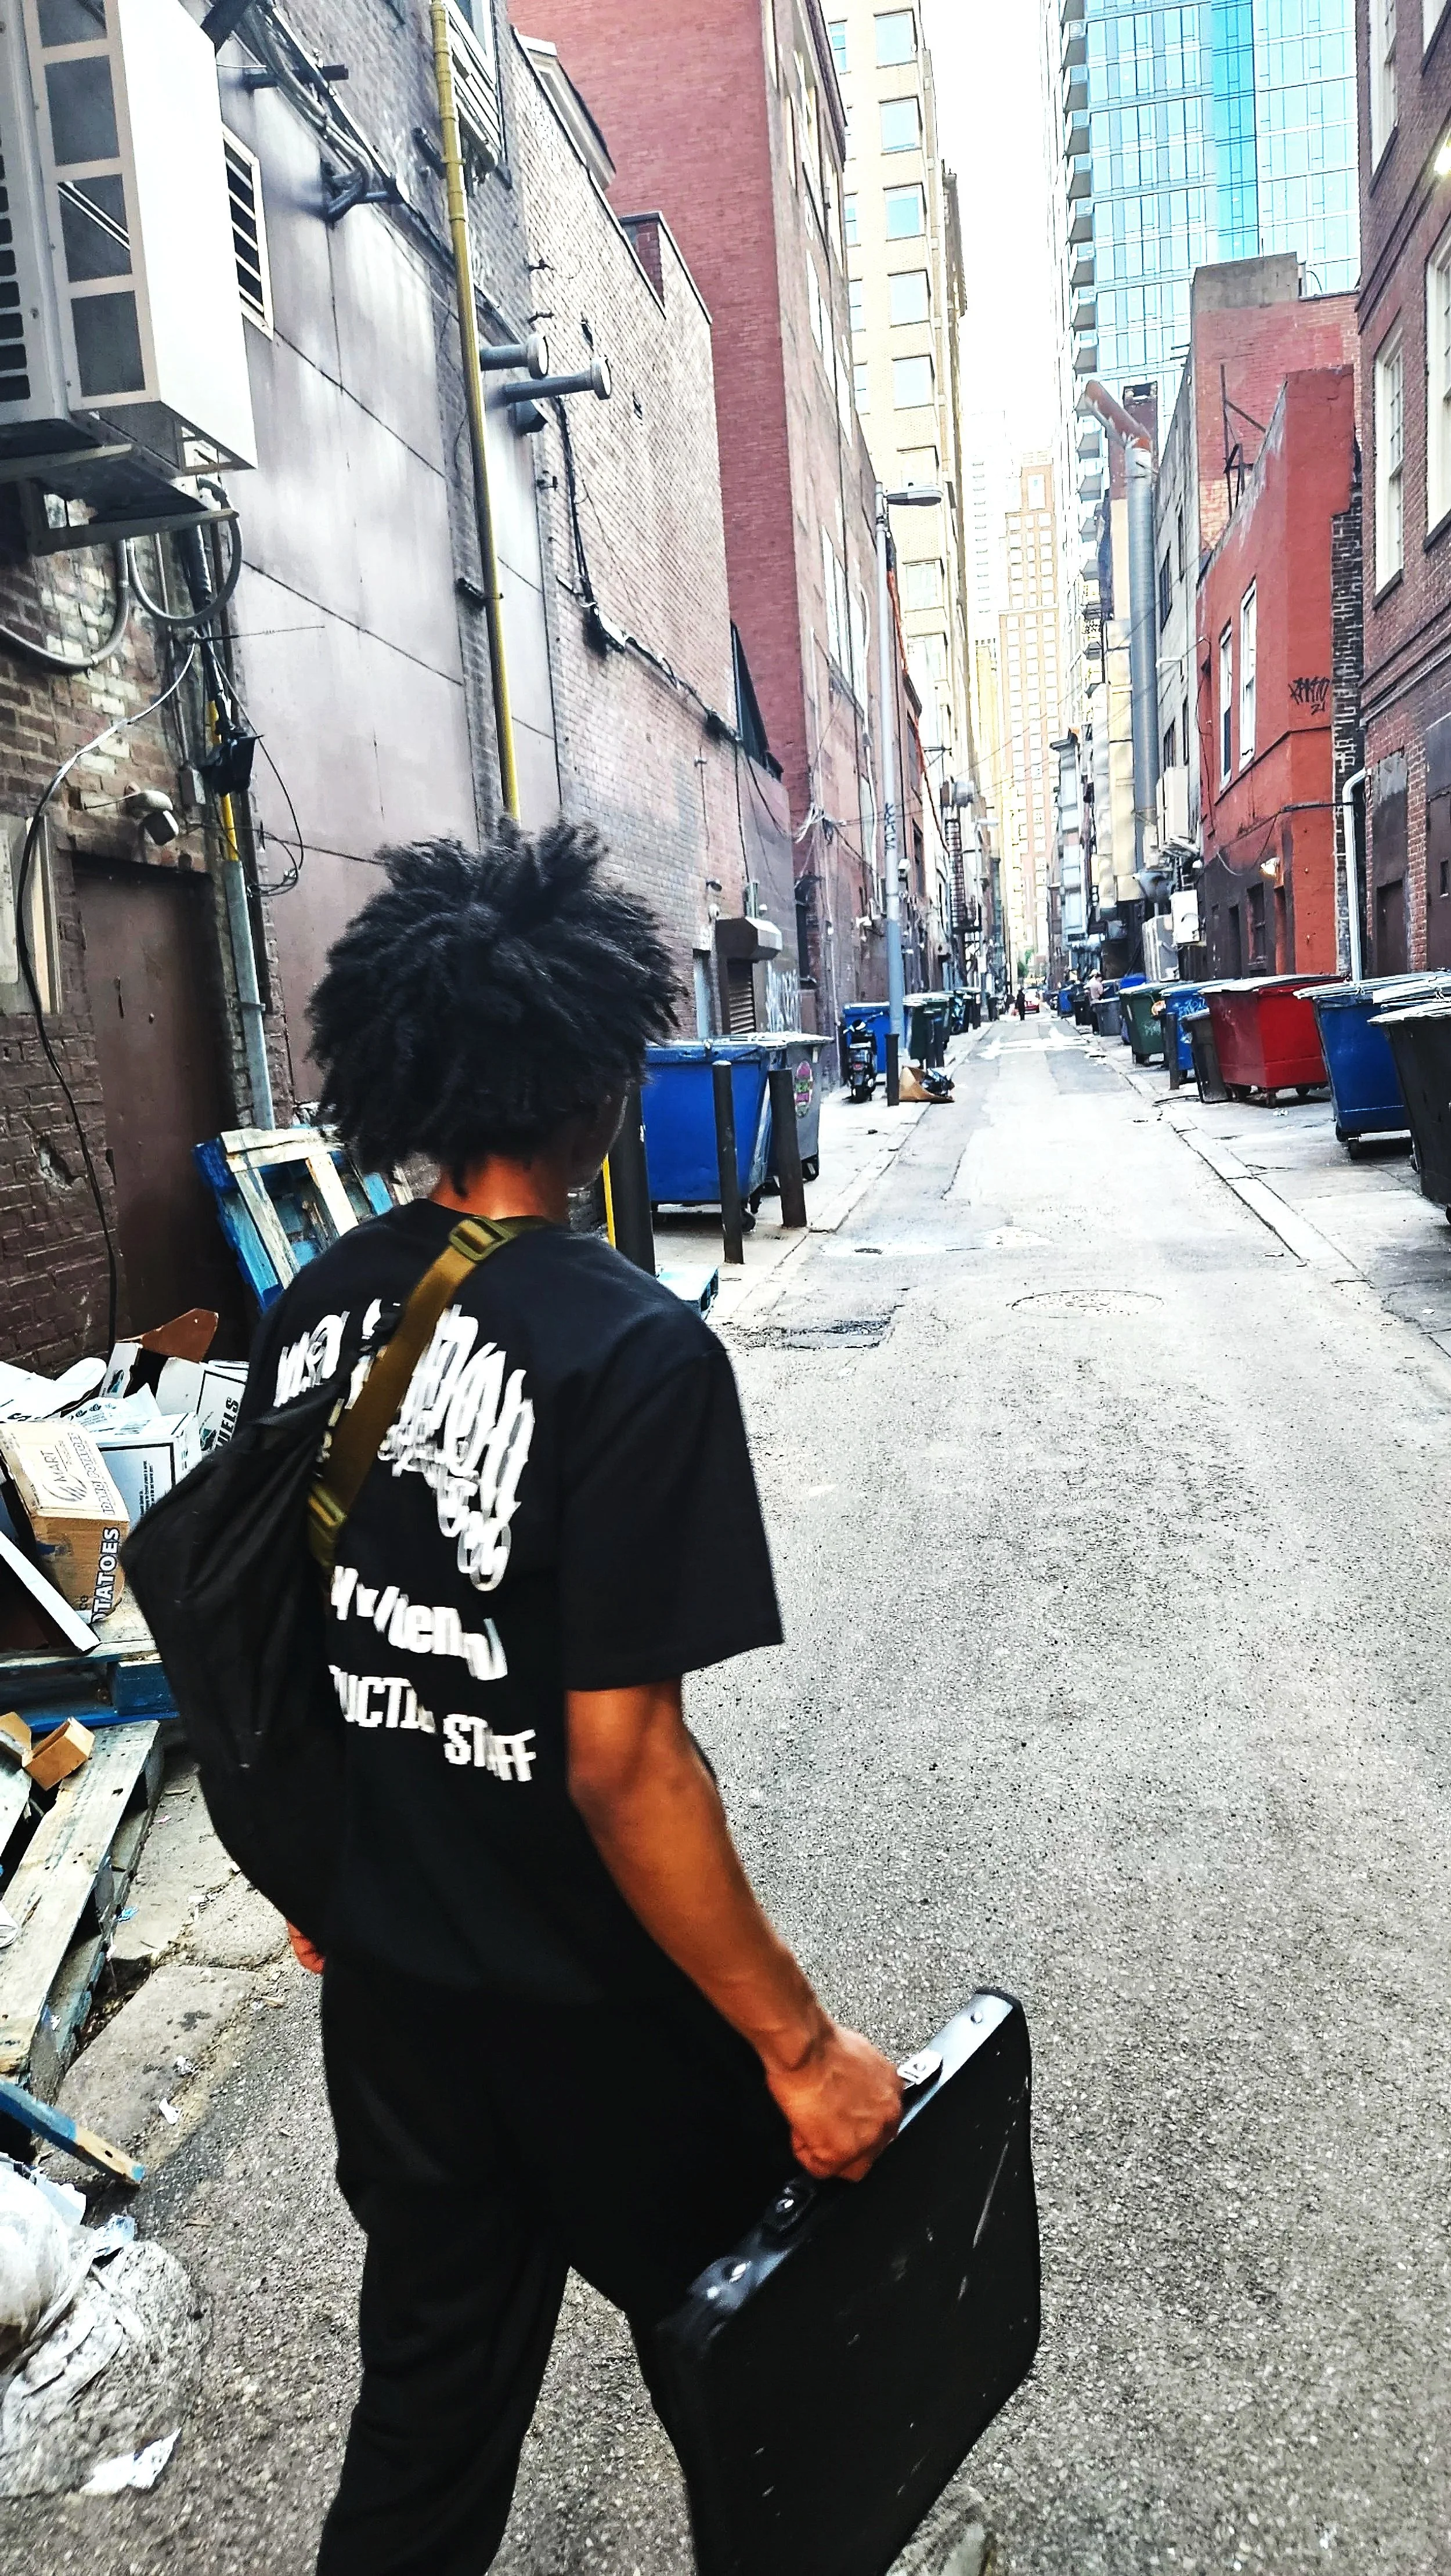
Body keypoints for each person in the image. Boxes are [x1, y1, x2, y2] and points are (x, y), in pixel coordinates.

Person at [237, 826, 904, 2576]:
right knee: (767, 2372)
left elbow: (267, 1640)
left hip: (393, 2000)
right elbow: (624, 1765)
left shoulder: (309, 1309)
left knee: (429, 2415)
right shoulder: (627, 1348)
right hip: (592, 1999)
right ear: (600, 1072)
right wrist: (797, 2044)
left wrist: (324, 1881)